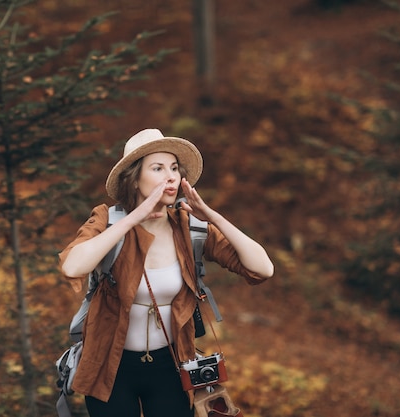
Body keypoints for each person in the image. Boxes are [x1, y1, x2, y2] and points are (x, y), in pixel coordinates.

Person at [58, 128, 274, 417]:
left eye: (173, 168)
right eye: (157, 168)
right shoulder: (107, 221)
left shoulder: (189, 227)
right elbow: (73, 266)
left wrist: (212, 216)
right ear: (134, 178)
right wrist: (136, 215)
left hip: (172, 365)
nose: (170, 176)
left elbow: (263, 268)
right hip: (108, 365)